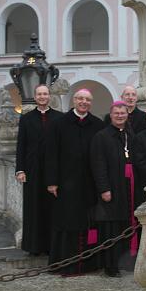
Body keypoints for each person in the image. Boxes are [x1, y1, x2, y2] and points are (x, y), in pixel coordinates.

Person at [45, 88, 104, 275]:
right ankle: (65, 265)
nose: (83, 102)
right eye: (80, 98)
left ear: (91, 103)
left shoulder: (97, 124)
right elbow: (51, 155)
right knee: (66, 223)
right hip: (65, 183)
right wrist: (52, 182)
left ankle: (88, 264)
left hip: (90, 184)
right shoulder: (59, 123)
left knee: (89, 223)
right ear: (74, 101)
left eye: (87, 99)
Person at [90, 101, 146, 277]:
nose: (119, 116)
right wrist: (104, 189)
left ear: (127, 115)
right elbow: (98, 165)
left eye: (123, 113)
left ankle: (127, 261)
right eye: (116, 113)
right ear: (111, 115)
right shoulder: (101, 137)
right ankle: (111, 265)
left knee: (127, 223)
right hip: (112, 187)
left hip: (130, 187)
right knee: (112, 226)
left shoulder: (131, 135)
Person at [15, 85, 63, 255]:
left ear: (50, 96)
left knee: (52, 208)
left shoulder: (59, 118)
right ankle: (33, 246)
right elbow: (21, 145)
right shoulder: (27, 118)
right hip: (32, 168)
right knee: (33, 208)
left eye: (45, 94)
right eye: (39, 94)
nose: (42, 97)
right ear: (35, 97)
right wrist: (20, 170)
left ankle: (52, 246)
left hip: (53, 169)